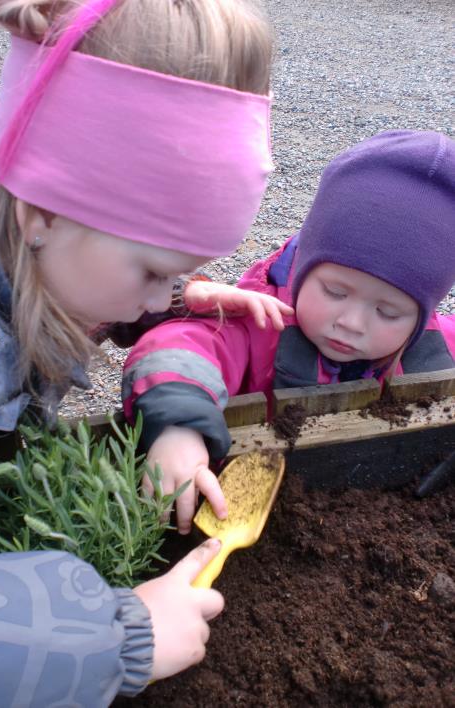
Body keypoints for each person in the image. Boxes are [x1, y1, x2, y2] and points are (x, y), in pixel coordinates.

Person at [0, 0, 291, 703]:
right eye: (154, 273)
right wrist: (121, 636)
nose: (162, 299)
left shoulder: (2, 178)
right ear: (41, 215)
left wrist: (186, 298)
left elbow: (77, 261)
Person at [123, 130, 455, 534]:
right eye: (334, 291)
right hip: (243, 500)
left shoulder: (433, 347)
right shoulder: (259, 321)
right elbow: (177, 347)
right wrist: (179, 426)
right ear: (302, 269)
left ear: (422, 317)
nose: (351, 322)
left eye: (388, 312)